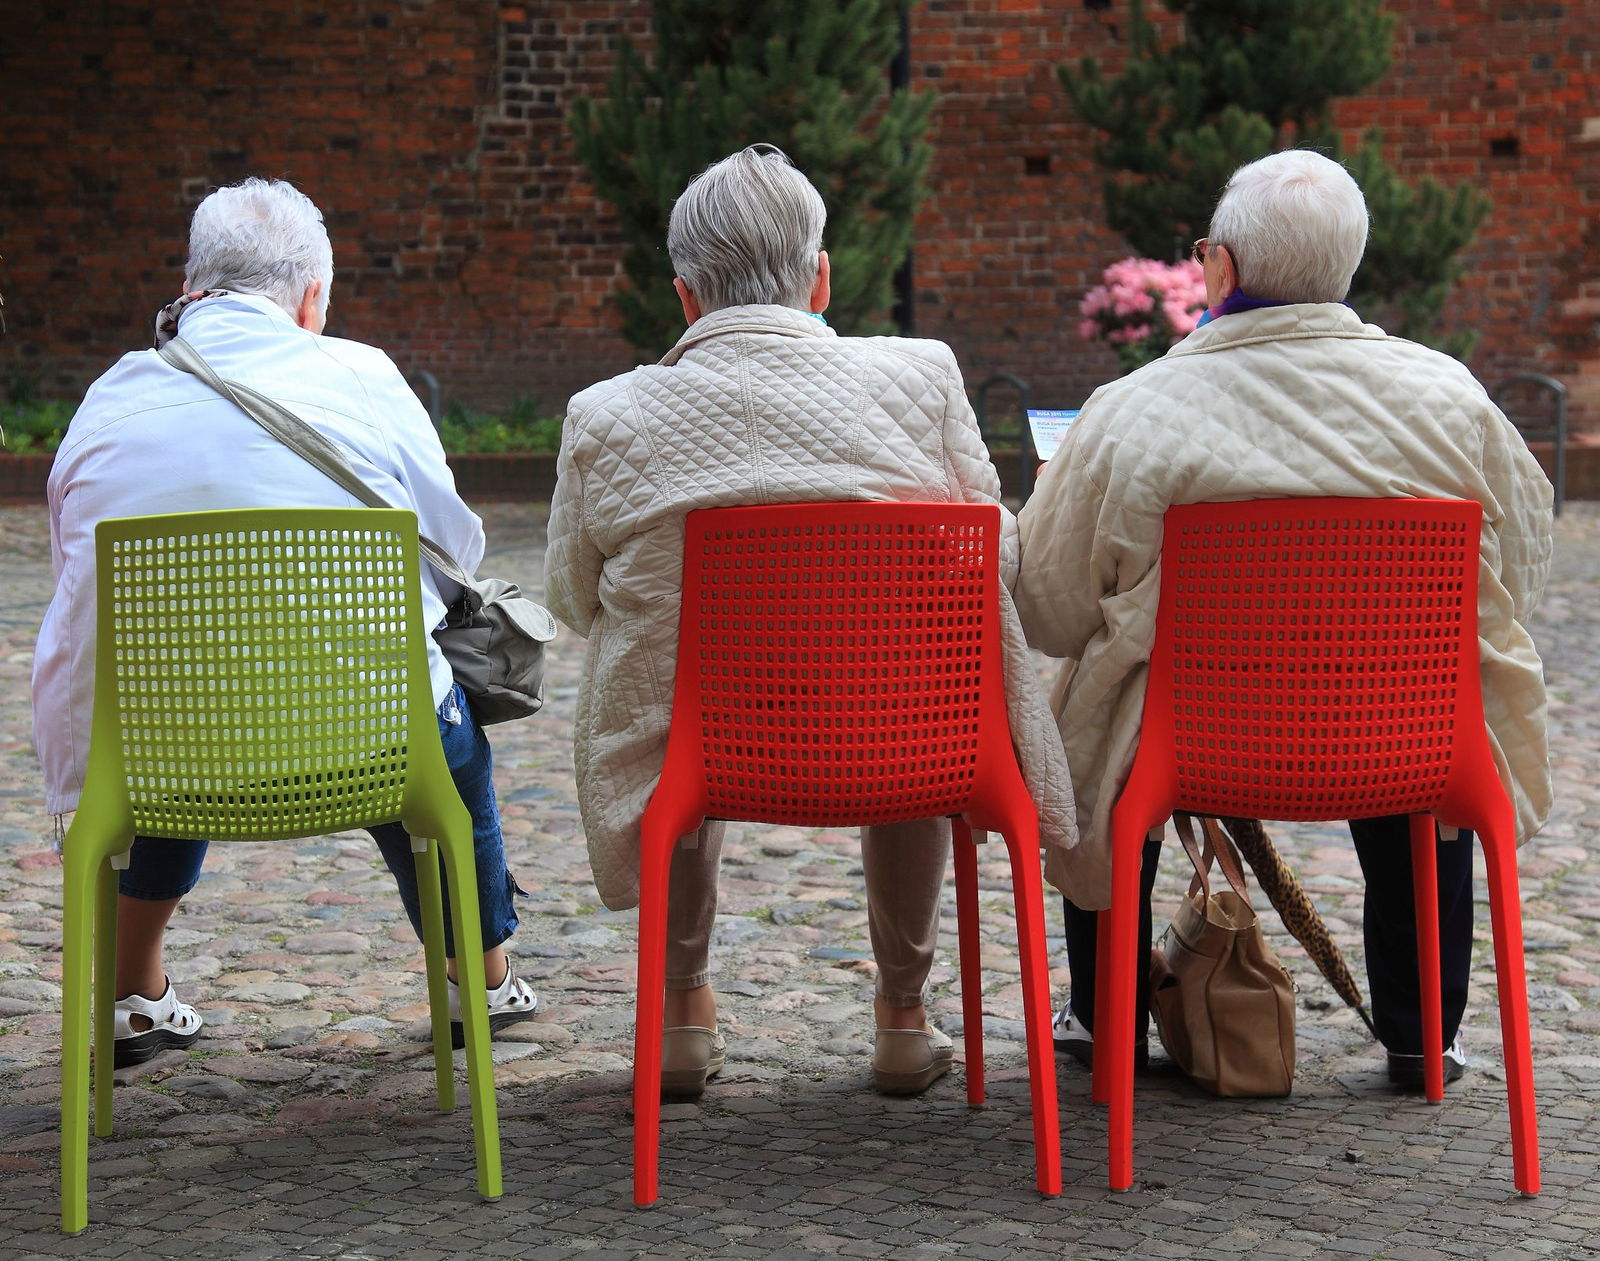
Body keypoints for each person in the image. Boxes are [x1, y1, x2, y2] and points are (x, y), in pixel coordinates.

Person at [546, 144, 1076, 1099]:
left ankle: (678, 1012)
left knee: (674, 687)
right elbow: (987, 547)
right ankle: (905, 1018)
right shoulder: (921, 377)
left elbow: (571, 597)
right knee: (921, 681)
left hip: (711, 746)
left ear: (685, 296)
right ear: (820, 278)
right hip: (900, 735)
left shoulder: (606, 414)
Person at [1015, 149, 1553, 1090]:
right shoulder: (1453, 401)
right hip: (1400, 733)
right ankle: (1426, 1033)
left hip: (1184, 742)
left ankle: (1104, 1019)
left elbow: (1051, 610)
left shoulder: (1129, 412)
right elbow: (1522, 572)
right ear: (1348, 269)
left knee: (1089, 696)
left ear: (1217, 267)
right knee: (1423, 696)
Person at [32, 178, 537, 1067]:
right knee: (437, 733)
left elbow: (74, 564)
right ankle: (479, 977)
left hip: (161, 751)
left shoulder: (112, 398)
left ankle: (131, 992)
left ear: (191, 288)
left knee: (178, 695)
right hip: (372, 740)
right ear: (312, 297)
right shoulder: (366, 375)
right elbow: (455, 538)